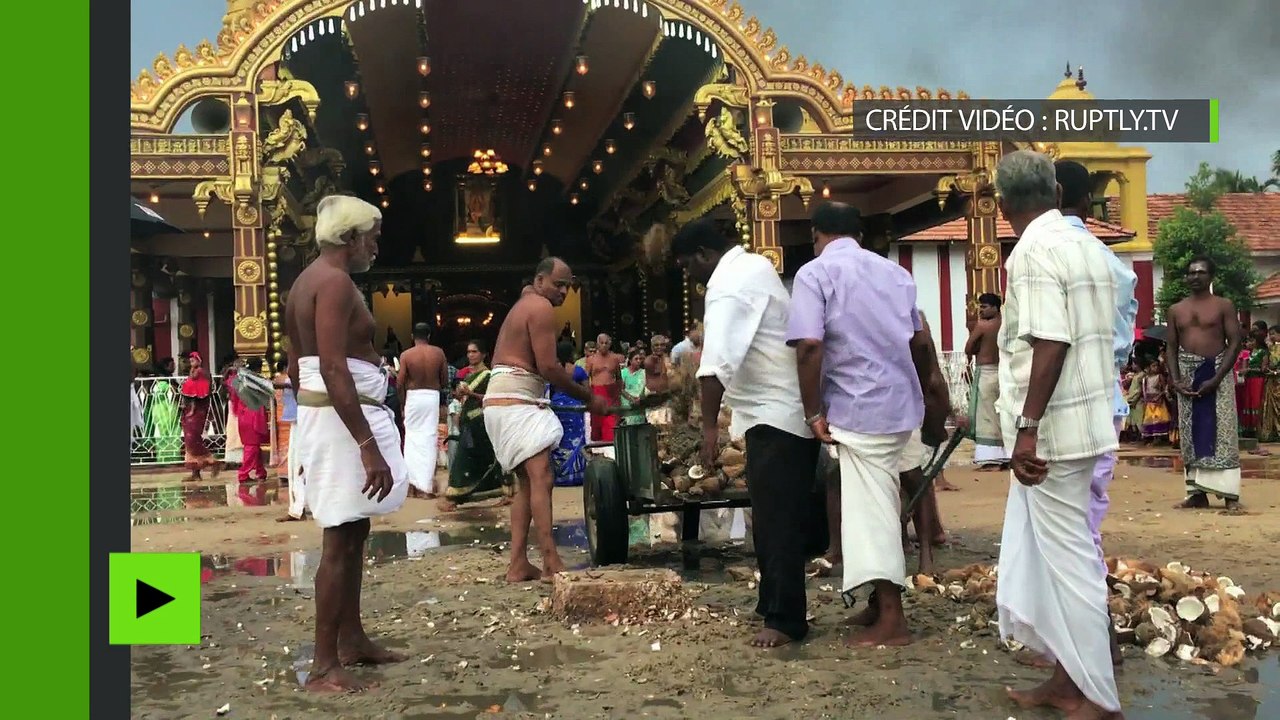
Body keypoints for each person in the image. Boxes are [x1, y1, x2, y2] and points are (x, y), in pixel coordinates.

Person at [992, 150, 1121, 718]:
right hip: (1085, 422)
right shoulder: (1086, 246)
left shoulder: (1034, 251)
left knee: (1068, 562)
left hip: (1053, 436)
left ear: (1002, 204)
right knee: (1050, 558)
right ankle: (1068, 682)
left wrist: (1027, 429)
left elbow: (1051, 341)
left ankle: (1096, 696)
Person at [787, 202, 948, 648]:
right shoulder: (895, 273)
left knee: (870, 515)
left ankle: (893, 619)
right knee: (882, 504)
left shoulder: (814, 274)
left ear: (817, 234)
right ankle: (879, 606)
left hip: (858, 407)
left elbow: (808, 347)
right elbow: (920, 343)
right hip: (900, 403)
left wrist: (812, 412)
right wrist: (932, 395)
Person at [672, 218, 817, 648]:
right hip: (777, 413)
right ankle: (771, 602)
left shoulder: (729, 284)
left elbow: (715, 365)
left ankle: (786, 618)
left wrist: (708, 433)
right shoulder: (753, 267)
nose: (690, 278)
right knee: (772, 518)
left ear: (703, 255)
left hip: (776, 416)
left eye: (687, 267)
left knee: (777, 522)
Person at [285, 195, 409, 692]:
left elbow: (298, 368)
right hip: (343, 421)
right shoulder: (333, 283)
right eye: (372, 237)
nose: (376, 246)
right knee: (338, 539)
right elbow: (332, 366)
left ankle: (352, 639)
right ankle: (322, 665)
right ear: (351, 238)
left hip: (331, 415)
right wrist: (365, 443)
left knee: (354, 532)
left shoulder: (304, 282)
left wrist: (314, 418)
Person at [1057, 158, 1139, 667]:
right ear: (1089, 202)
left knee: (1064, 527)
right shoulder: (1117, 267)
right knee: (1086, 517)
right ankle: (1087, 636)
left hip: (1063, 403)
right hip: (1105, 402)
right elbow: (1123, 346)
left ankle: (1089, 639)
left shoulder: (1045, 253)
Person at [484, 257, 608, 582]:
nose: (565, 291)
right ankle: (551, 560)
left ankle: (517, 564)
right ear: (540, 281)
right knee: (542, 477)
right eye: (559, 284)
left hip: (506, 399)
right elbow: (549, 367)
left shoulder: (526, 303)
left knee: (528, 483)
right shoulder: (539, 306)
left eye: (569, 285)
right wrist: (589, 397)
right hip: (515, 399)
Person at [1167, 257, 1244, 512]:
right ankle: (1197, 493)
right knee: (1189, 435)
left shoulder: (1224, 305)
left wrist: (1218, 376)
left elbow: (1234, 342)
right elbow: (1171, 346)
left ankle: (1230, 495)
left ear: (1211, 277)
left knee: (1223, 433)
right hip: (1187, 377)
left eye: (1200, 272)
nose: (1195, 277)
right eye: (1190, 273)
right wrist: (1176, 379)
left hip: (1217, 373)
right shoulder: (1176, 309)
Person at [443, 340, 510, 510]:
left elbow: (490, 397)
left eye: (474, 352)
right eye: (468, 352)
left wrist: (470, 393)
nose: (470, 355)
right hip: (469, 420)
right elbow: (464, 398)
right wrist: (460, 395)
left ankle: (453, 497)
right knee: (484, 458)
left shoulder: (488, 375)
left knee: (466, 458)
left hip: (482, 421)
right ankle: (500, 491)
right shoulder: (467, 375)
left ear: (483, 354)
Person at [398, 322, 449, 499]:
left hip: (413, 396)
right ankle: (425, 486)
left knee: (412, 438)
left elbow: (400, 381)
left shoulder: (406, 355)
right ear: (429, 336)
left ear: (413, 336)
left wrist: (403, 403)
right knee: (429, 438)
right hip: (432, 395)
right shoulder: (438, 353)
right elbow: (444, 379)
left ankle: (412, 485)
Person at [964, 293, 1011, 470]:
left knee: (986, 414)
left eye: (984, 307)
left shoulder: (983, 325)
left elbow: (969, 347)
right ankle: (1005, 455)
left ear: (995, 308)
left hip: (986, 371)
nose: (980, 311)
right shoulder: (1005, 324)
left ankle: (991, 458)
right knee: (1003, 413)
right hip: (1003, 370)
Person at [550, 340, 591, 487]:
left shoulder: (553, 371)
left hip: (557, 407)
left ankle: (560, 475)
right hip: (575, 408)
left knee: (559, 439)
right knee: (577, 439)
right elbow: (587, 391)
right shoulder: (578, 370)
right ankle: (577, 473)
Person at [180, 351, 223, 481]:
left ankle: (212, 460)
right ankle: (195, 473)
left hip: (196, 412)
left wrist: (192, 408)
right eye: (190, 361)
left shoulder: (201, 373)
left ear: (199, 360)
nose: (191, 363)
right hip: (189, 411)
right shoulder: (194, 373)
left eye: (194, 360)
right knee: (189, 440)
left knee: (193, 439)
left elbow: (196, 392)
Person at [225, 359, 270, 483]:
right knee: (252, 447)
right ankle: (243, 474)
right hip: (252, 417)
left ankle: (261, 472)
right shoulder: (254, 380)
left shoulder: (240, 379)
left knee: (254, 446)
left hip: (243, 416)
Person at [584, 333, 623, 441]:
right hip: (596, 393)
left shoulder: (615, 359)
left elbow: (619, 378)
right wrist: (588, 396)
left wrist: (619, 394)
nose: (604, 345)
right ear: (597, 344)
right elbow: (585, 378)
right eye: (602, 343)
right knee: (596, 427)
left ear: (610, 344)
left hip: (611, 394)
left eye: (606, 343)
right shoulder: (591, 359)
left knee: (611, 427)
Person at [643, 335, 673, 425]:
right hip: (654, 398)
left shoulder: (668, 359)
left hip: (667, 398)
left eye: (662, 345)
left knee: (668, 429)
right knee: (655, 429)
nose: (659, 347)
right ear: (652, 347)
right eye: (656, 345)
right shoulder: (650, 360)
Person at [1140, 360, 1172, 443]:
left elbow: (1165, 389)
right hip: (1149, 401)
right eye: (1153, 366)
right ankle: (1151, 438)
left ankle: (1159, 438)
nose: (1155, 368)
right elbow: (1145, 389)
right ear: (1149, 367)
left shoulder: (1159, 376)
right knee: (1149, 419)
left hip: (1158, 400)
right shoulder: (1146, 378)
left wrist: (1159, 396)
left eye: (1157, 366)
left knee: (1159, 418)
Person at [619, 348, 648, 427]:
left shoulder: (644, 373)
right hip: (627, 406)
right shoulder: (623, 372)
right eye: (636, 359)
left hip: (639, 406)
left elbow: (646, 388)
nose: (639, 361)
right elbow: (620, 389)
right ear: (630, 361)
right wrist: (631, 399)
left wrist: (640, 399)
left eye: (640, 359)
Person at [1260, 327, 1280, 442]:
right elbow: (1265, 364)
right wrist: (1266, 368)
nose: (1271, 336)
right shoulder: (1269, 349)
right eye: (1270, 334)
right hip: (1271, 381)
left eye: (1274, 334)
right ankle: (1272, 433)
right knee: (1270, 407)